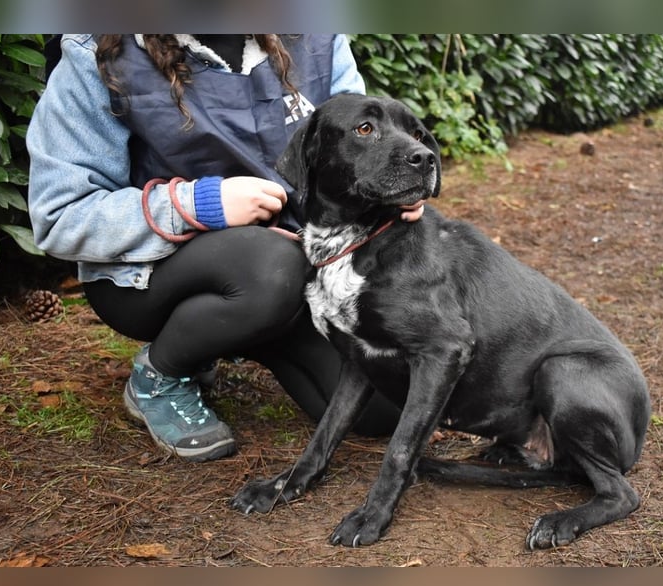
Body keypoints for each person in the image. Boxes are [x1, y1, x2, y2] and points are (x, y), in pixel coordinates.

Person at [27, 34, 423, 461]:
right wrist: (198, 204)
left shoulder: (316, 39)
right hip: (156, 278)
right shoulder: (99, 54)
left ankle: (239, 331)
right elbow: (60, 215)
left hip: (299, 272)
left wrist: (386, 182)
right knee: (269, 267)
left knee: (383, 409)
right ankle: (162, 374)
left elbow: (358, 147)